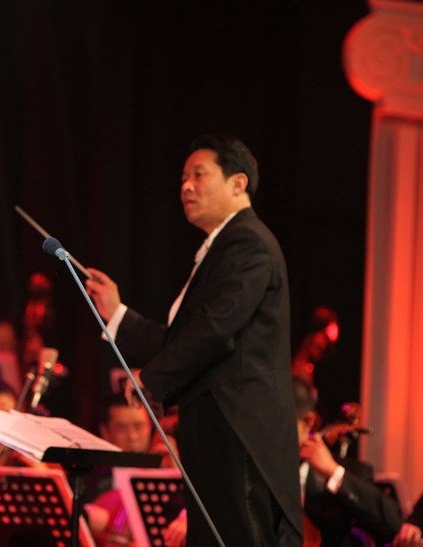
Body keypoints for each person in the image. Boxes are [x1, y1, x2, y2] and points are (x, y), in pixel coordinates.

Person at [85, 134, 303, 545]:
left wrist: (149, 379)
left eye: (198, 175)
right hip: (216, 433)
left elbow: (215, 329)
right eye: (183, 178)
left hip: (241, 436)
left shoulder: (248, 243)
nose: (185, 186)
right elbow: (183, 338)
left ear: (238, 184)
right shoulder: (224, 246)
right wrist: (116, 313)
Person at [293, 376, 402, 546]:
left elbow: (394, 525)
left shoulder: (353, 472)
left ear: (308, 422)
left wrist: (334, 473)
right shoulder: (254, 470)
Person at [84, 393, 185, 547]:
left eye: (138, 426)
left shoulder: (168, 469)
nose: (132, 437)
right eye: (122, 428)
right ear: (105, 432)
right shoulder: (87, 478)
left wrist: (175, 473)